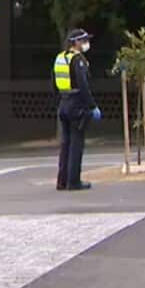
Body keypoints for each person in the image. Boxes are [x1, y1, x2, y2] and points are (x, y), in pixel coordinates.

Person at [53, 28, 101, 190]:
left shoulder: (61, 58)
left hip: (64, 102)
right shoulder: (78, 60)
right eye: (84, 40)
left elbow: (54, 84)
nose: (87, 43)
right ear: (76, 42)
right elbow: (83, 85)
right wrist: (92, 106)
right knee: (76, 143)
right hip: (76, 105)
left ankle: (62, 180)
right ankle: (73, 181)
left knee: (65, 144)